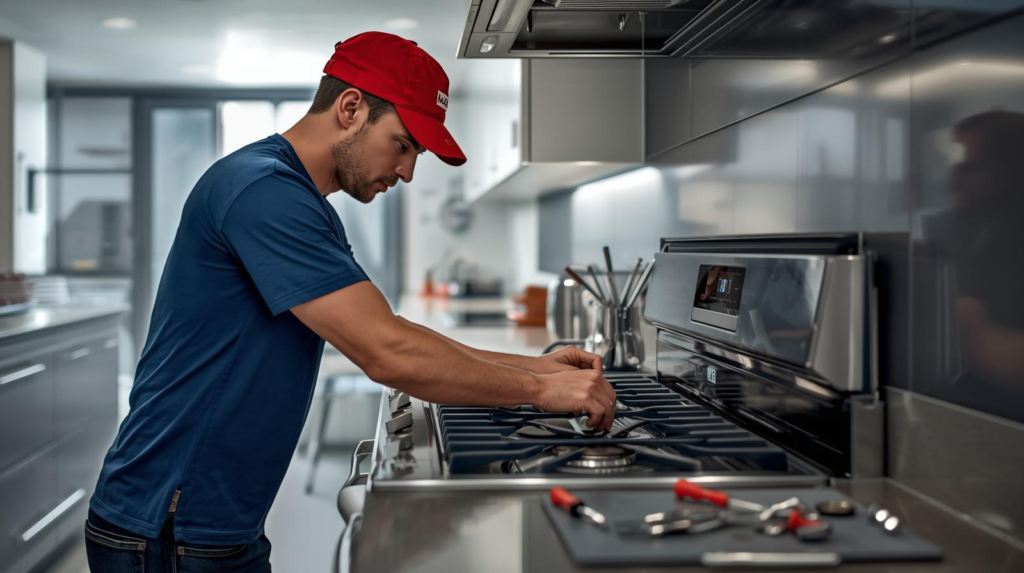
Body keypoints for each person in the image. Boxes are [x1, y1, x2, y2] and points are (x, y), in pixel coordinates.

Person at [84, 31, 616, 572]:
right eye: (403, 145)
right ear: (351, 107)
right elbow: (387, 352)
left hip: (204, 520)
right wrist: (540, 391)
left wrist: (532, 365)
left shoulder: (301, 202)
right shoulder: (263, 191)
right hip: (168, 524)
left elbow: (387, 327)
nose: (407, 172)